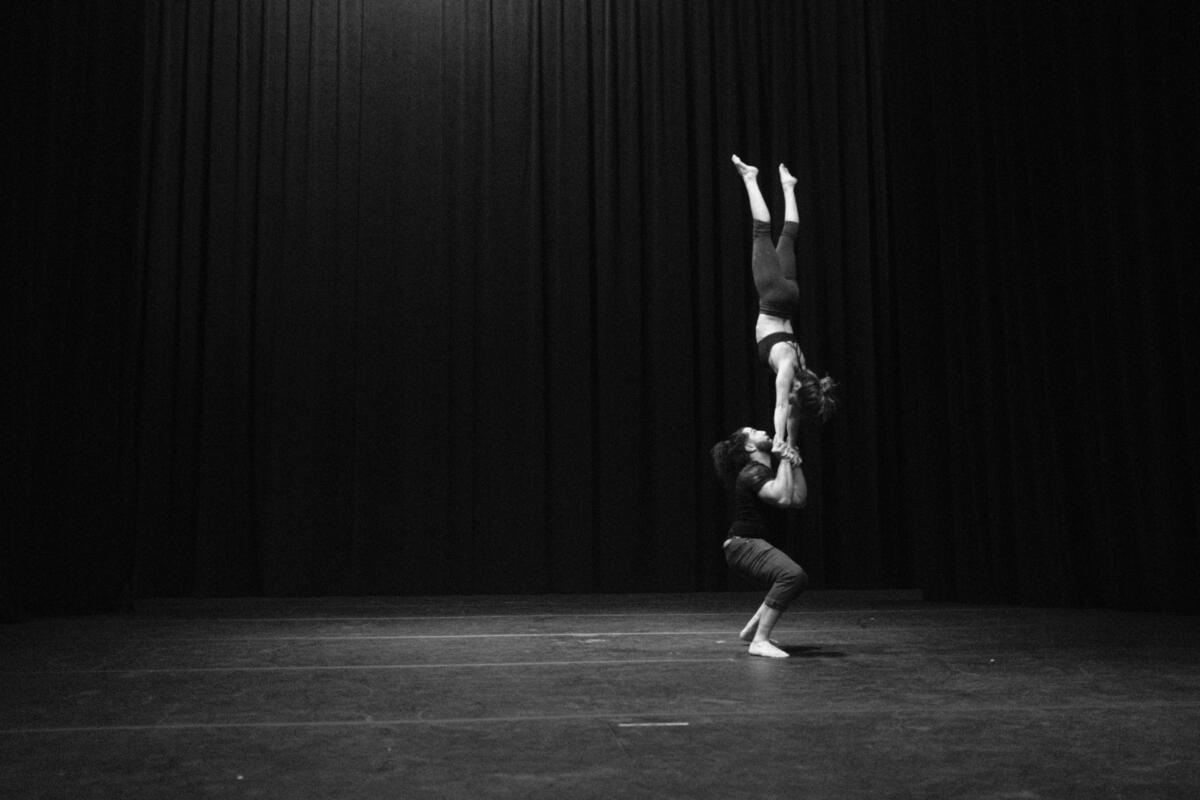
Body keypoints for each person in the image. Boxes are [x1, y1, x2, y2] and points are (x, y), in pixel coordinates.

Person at [731, 154, 837, 450]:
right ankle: (750, 178)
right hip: (772, 296)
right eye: (795, 394)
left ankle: (789, 187)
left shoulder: (803, 368)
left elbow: (793, 413)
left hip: (790, 297)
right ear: (799, 387)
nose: (791, 397)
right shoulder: (790, 367)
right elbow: (782, 406)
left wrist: (792, 443)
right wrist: (779, 440)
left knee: (788, 237)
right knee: (761, 231)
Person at [711, 426, 809, 658]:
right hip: (743, 544)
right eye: (755, 431)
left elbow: (798, 499)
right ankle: (759, 641)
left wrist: (794, 463)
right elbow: (782, 498)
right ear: (749, 446)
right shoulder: (753, 472)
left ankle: (752, 631)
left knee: (792, 579)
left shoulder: (764, 472)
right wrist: (784, 459)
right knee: (791, 575)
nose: (764, 431)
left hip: (746, 544)